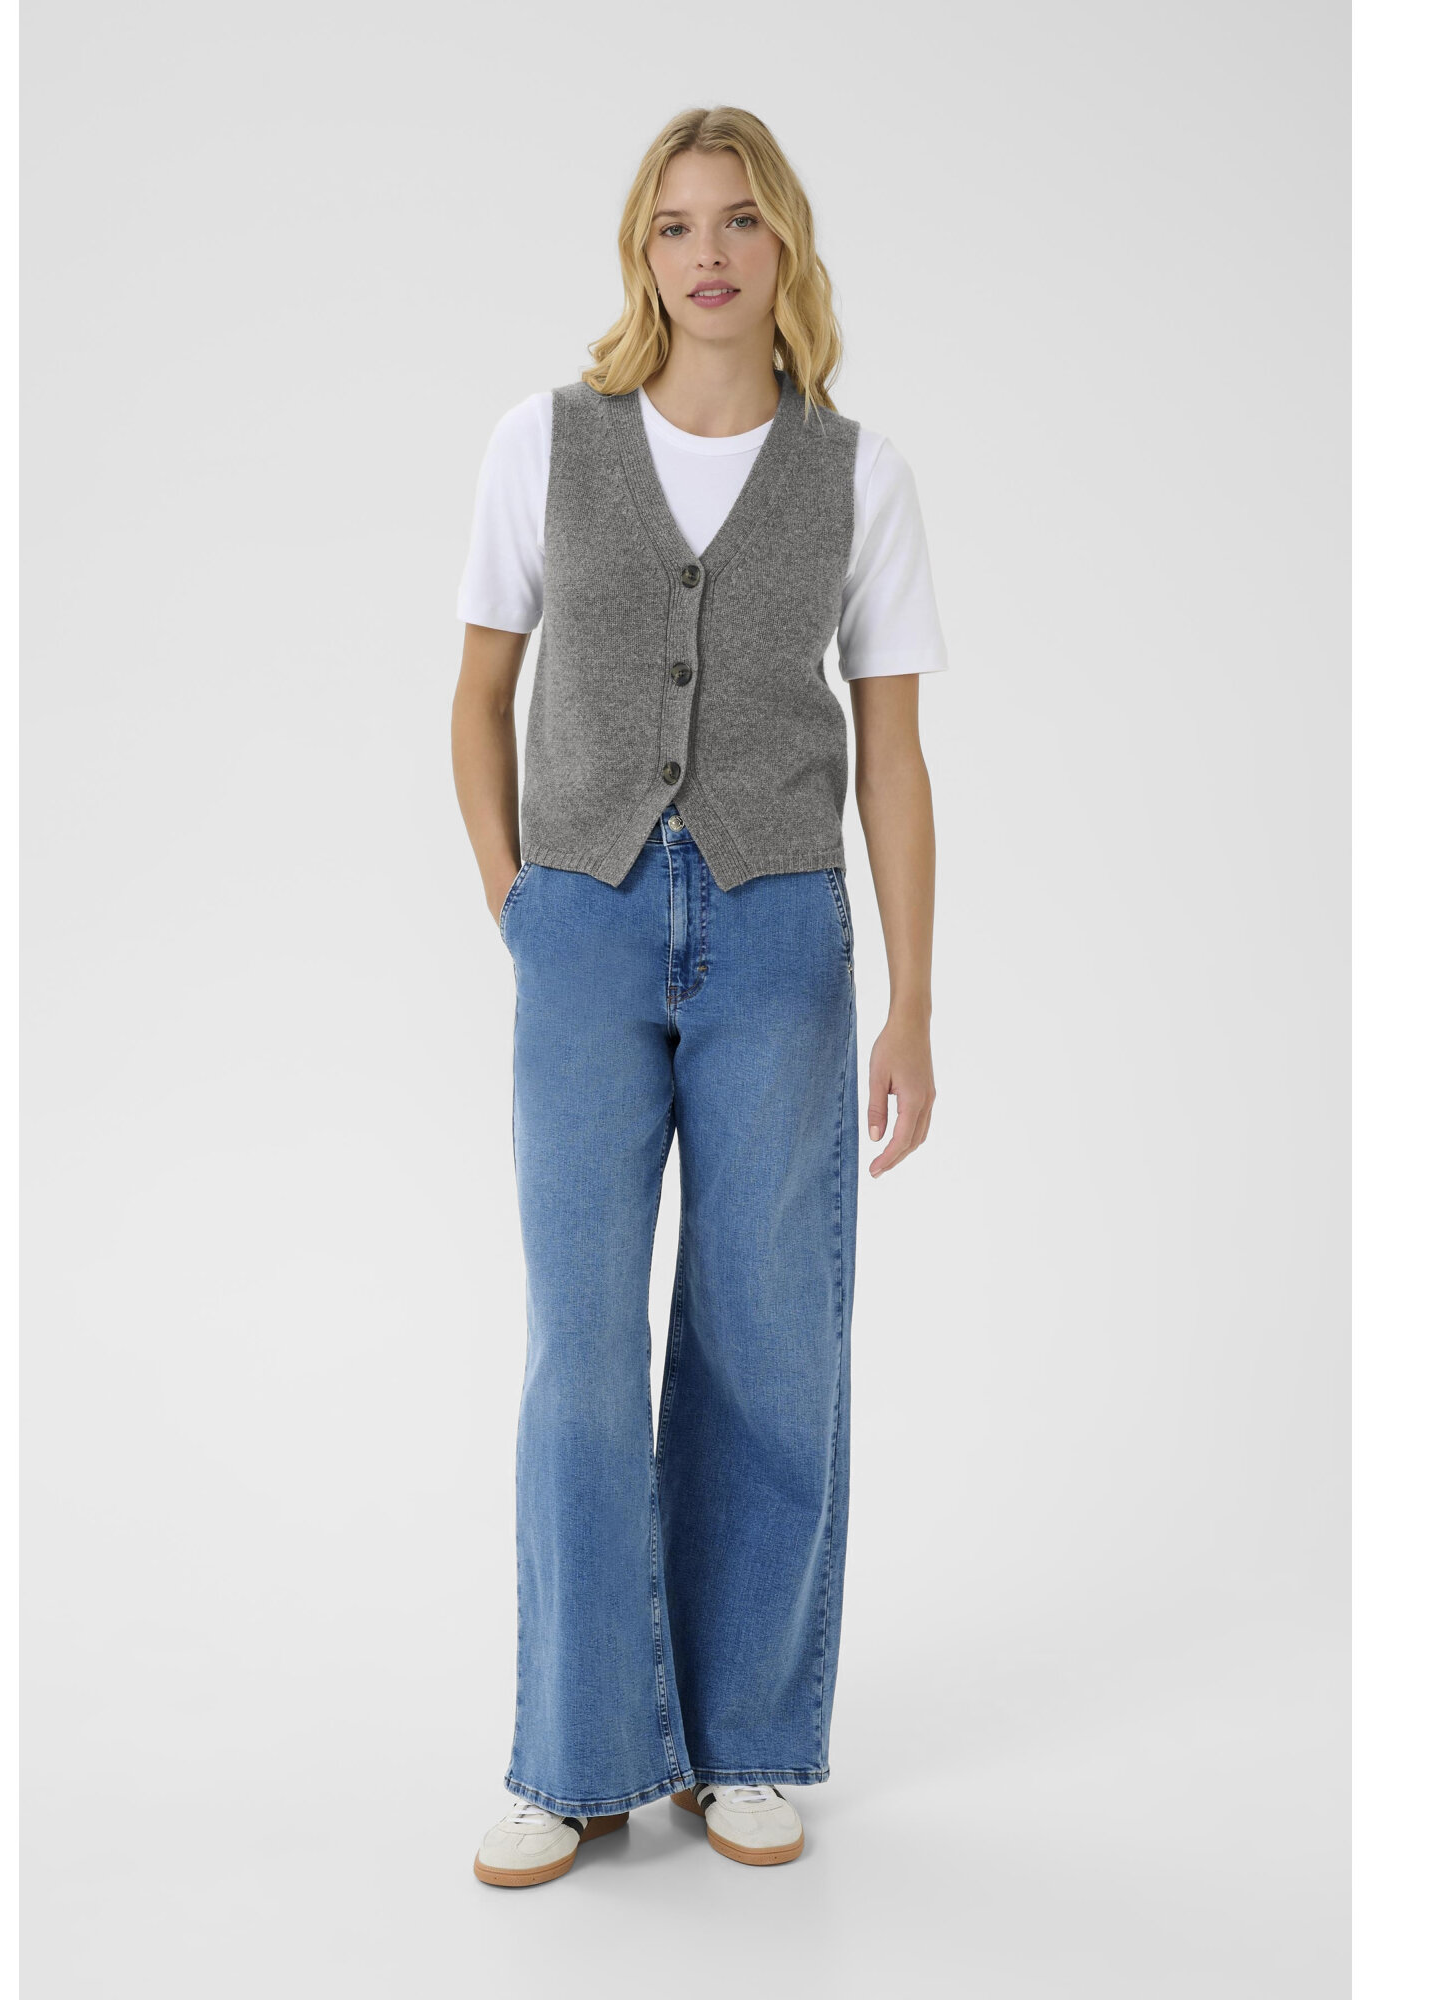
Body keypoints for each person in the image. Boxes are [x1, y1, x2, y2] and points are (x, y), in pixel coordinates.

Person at [451, 104, 947, 1889]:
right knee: (580, 1345)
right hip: (582, 928)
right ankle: (575, 1757)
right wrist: (524, 908)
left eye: (738, 221)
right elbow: (475, 699)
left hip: (781, 937)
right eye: (675, 226)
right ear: (640, 253)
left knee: (766, 1336)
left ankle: (744, 1742)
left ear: (784, 243)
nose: (708, 253)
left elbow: (894, 761)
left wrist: (911, 1006)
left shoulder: (858, 474)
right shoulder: (544, 442)